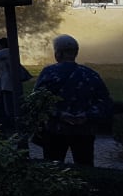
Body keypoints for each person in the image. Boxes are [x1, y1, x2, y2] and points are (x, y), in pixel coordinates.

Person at [32, 34, 113, 166]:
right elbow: (105, 103)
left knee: (53, 168)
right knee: (85, 167)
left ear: (58, 53)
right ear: (75, 53)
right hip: (84, 130)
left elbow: (37, 101)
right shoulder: (90, 74)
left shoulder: (49, 72)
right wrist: (86, 116)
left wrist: (60, 114)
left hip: (55, 129)